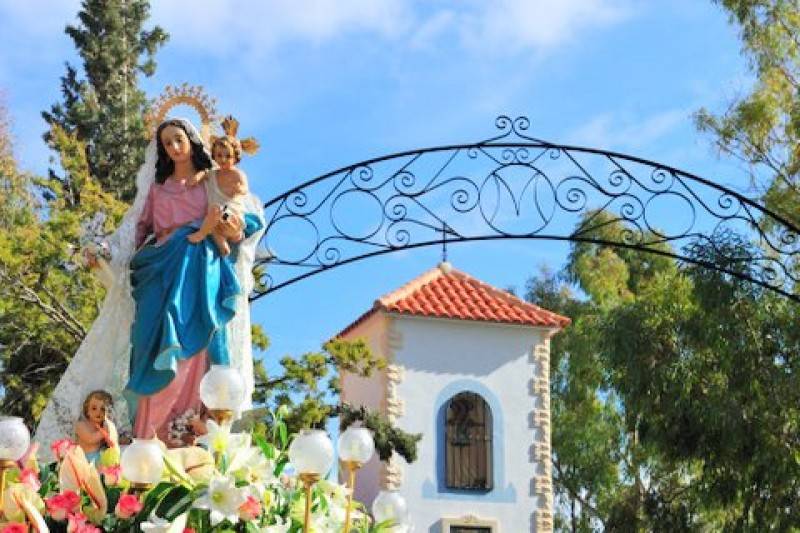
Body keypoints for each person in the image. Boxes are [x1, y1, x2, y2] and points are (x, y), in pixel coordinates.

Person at [34, 117, 266, 457]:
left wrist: (230, 220)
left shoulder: (211, 182)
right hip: (159, 269)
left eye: (178, 139)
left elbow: (243, 216)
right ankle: (148, 440)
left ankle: (189, 435)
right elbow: (134, 230)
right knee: (147, 342)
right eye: (167, 142)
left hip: (200, 271)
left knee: (197, 346)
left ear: (191, 140)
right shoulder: (157, 190)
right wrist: (105, 250)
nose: (173, 147)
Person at [188, 115, 259, 256]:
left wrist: (240, 189)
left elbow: (245, 188)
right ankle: (222, 245)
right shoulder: (213, 173)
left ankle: (201, 234)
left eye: (228, 156)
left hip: (231, 218)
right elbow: (203, 174)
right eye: (219, 155)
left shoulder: (238, 174)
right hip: (215, 221)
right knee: (211, 220)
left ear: (236, 157)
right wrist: (196, 178)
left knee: (215, 212)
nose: (223, 159)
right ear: (214, 155)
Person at [75, 390, 118, 464]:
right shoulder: (81, 425)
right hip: (83, 458)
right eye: (94, 408)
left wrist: (110, 433)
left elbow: (111, 444)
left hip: (99, 457)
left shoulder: (104, 426)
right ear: (87, 410)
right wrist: (104, 432)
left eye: (103, 409)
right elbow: (90, 439)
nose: (98, 412)